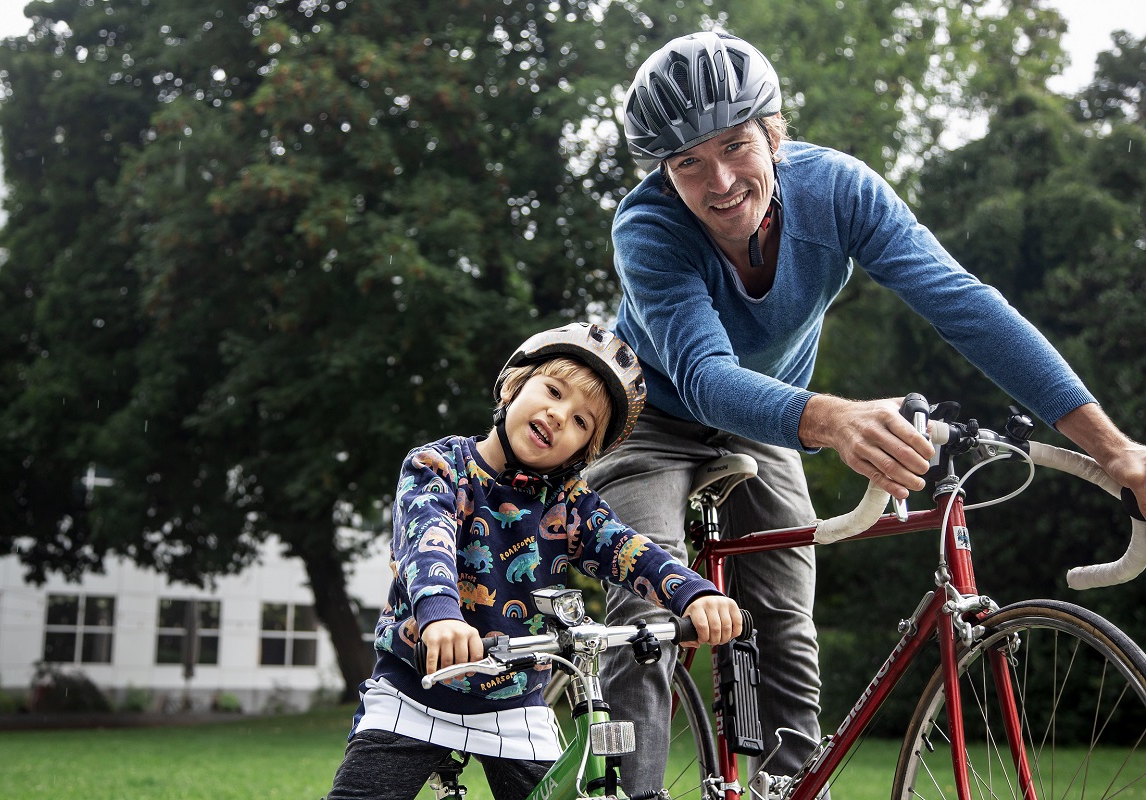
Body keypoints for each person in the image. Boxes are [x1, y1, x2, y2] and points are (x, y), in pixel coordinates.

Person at [585, 30, 1146, 796]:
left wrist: (1114, 451)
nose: (718, 181)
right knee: (649, 610)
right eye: (687, 163)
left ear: (774, 135)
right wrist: (834, 419)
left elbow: (967, 308)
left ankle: (789, 785)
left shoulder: (840, 191)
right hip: (653, 420)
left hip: (769, 420)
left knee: (781, 618)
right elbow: (705, 376)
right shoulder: (647, 228)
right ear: (664, 172)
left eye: (734, 146)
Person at [322, 321, 744, 800]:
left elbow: (630, 550)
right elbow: (426, 541)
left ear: (585, 452)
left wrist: (694, 593)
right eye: (553, 390)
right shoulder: (439, 469)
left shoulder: (569, 505)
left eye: (583, 422)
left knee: (566, 790)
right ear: (513, 386)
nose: (561, 415)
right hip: (413, 690)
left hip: (515, 705)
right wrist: (440, 614)